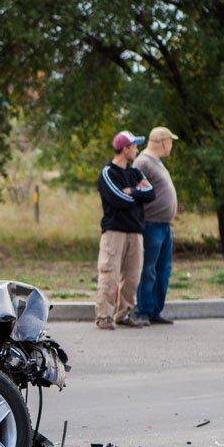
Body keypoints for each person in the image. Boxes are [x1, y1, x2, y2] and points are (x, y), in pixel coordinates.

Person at [95, 130, 156, 329]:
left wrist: (134, 192)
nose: (136, 150)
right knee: (109, 273)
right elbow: (117, 199)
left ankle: (125, 313)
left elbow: (150, 193)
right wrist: (137, 196)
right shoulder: (108, 173)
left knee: (133, 275)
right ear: (124, 149)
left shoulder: (135, 173)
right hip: (115, 231)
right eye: (134, 146)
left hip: (136, 231)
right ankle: (104, 316)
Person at [132, 126, 179, 325]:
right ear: (163, 142)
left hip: (163, 225)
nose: (171, 146)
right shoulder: (143, 162)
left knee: (163, 269)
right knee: (148, 269)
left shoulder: (156, 162)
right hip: (151, 224)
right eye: (171, 142)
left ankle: (155, 310)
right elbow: (136, 191)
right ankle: (143, 310)